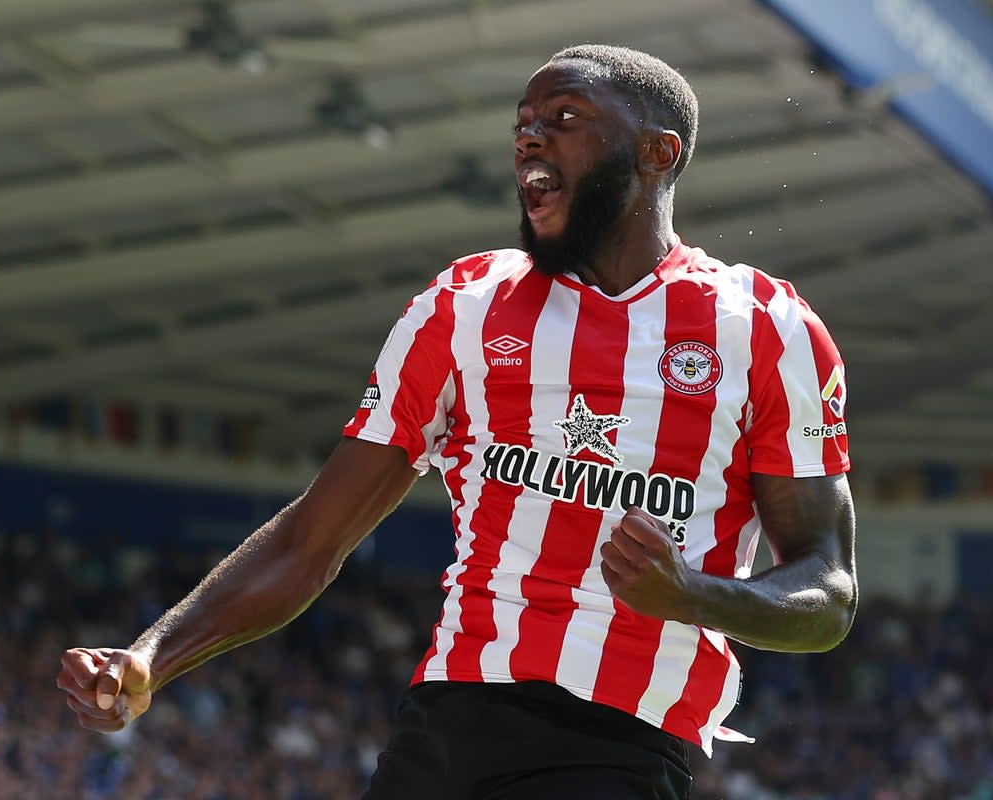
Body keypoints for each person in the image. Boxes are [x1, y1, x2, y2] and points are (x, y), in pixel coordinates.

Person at [57, 44, 857, 799]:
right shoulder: (466, 306)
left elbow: (827, 593)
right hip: (446, 725)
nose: (530, 136)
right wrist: (152, 657)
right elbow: (313, 539)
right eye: (522, 123)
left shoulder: (764, 329)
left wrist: (695, 596)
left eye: (566, 117)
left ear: (658, 153)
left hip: (621, 744)